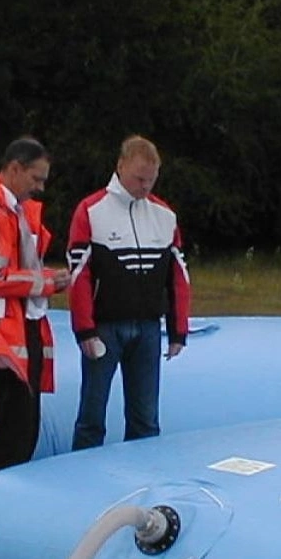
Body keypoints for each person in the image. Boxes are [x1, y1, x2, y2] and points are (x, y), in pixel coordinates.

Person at [67, 135, 190, 450]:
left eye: (151, 180)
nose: (145, 187)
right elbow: (78, 275)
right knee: (92, 415)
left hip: (148, 327)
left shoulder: (164, 215)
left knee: (146, 418)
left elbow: (178, 277)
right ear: (120, 167)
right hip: (105, 328)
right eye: (139, 179)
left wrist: (178, 331)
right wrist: (85, 331)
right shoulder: (91, 210)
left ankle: (143, 483)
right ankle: (81, 478)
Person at [0, 138, 71, 476]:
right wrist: (43, 282)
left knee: (24, 428)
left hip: (18, 329)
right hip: (0, 337)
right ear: (14, 168)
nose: (40, 188)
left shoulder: (13, 211)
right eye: (36, 178)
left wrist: (45, 279)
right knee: (12, 430)